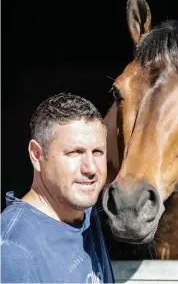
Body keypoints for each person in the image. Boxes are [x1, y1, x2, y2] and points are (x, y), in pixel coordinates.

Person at [1, 92, 115, 283]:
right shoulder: (14, 251)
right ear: (37, 155)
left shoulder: (83, 213)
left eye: (97, 152)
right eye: (75, 152)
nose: (91, 168)